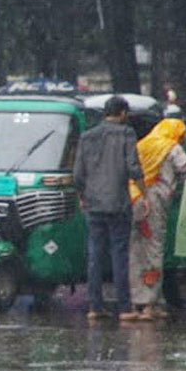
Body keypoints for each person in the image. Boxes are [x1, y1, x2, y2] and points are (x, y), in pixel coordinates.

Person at [74, 95, 146, 322]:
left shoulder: (87, 136)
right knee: (119, 254)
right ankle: (125, 308)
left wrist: (82, 196)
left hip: (93, 203)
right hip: (118, 203)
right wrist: (143, 191)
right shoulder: (126, 134)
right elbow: (133, 167)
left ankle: (95, 307)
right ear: (123, 113)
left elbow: (78, 173)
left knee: (94, 255)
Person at [129, 118, 186, 321]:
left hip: (134, 198)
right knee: (153, 248)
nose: (180, 140)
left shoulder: (143, 144)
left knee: (136, 249)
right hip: (154, 200)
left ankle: (135, 301)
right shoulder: (172, 148)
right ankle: (149, 304)